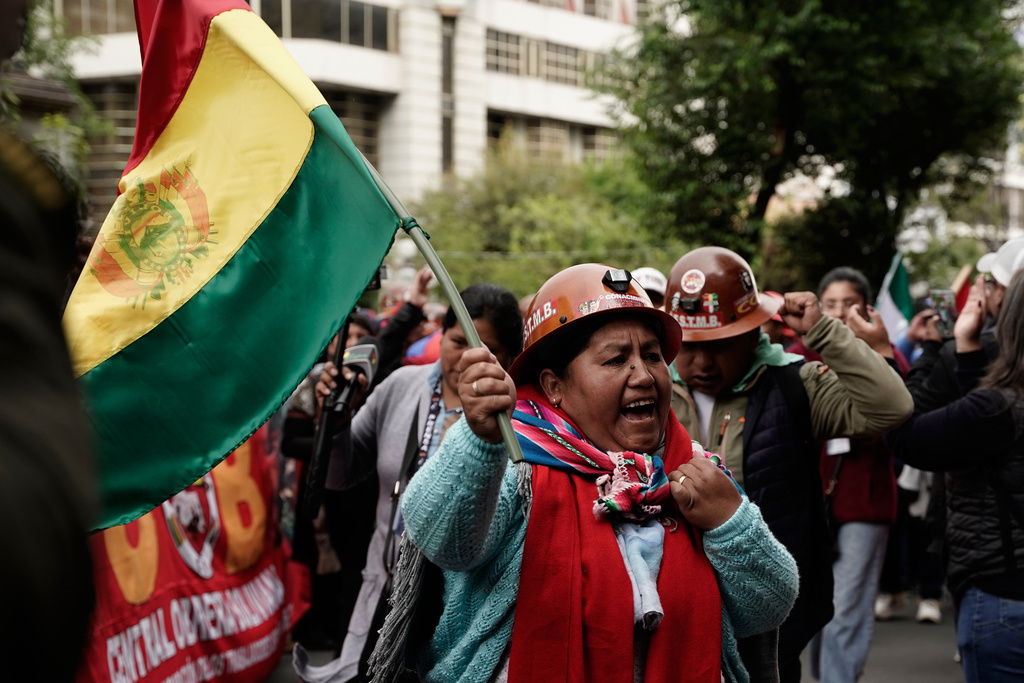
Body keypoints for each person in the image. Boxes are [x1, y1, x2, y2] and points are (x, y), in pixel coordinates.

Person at [370, 264, 798, 683]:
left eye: (652, 356)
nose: (644, 375)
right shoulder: (514, 467)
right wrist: (478, 440)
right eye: (616, 359)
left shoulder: (696, 472)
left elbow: (767, 609)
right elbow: (443, 542)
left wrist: (729, 523)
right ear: (554, 386)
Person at [665, 247, 913, 683]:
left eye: (719, 345)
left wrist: (824, 332)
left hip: (775, 618)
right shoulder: (652, 393)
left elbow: (891, 407)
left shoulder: (795, 383)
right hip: (679, 612)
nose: (702, 362)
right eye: (689, 346)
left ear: (751, 334)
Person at [300, 283, 524, 683]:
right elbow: (339, 476)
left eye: (484, 348)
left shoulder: (517, 421)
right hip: (386, 589)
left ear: (509, 358)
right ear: (442, 335)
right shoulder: (401, 386)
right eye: (457, 341)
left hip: (458, 605)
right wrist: (333, 423)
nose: (466, 358)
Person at [886, 272, 1024, 683]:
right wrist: (967, 352)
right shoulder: (995, 411)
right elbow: (980, 432)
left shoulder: (999, 409)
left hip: (1005, 598)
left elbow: (904, 433)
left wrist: (924, 350)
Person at [788, 267, 905, 683]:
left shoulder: (880, 353)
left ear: (866, 308)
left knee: (848, 607)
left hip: (863, 501)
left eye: (848, 303)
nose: (838, 312)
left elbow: (900, 412)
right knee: (813, 606)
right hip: (811, 502)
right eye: (830, 303)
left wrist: (880, 350)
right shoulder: (798, 356)